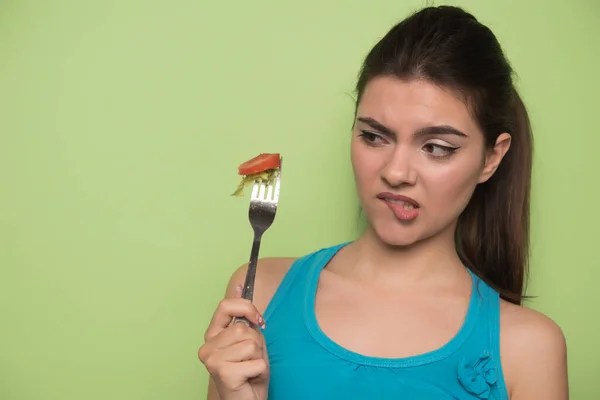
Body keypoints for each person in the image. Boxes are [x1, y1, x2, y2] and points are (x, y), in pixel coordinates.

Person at [198, 5, 569, 400]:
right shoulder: (257, 296)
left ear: (492, 158)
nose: (396, 172)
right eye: (375, 137)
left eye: (436, 147)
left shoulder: (529, 348)